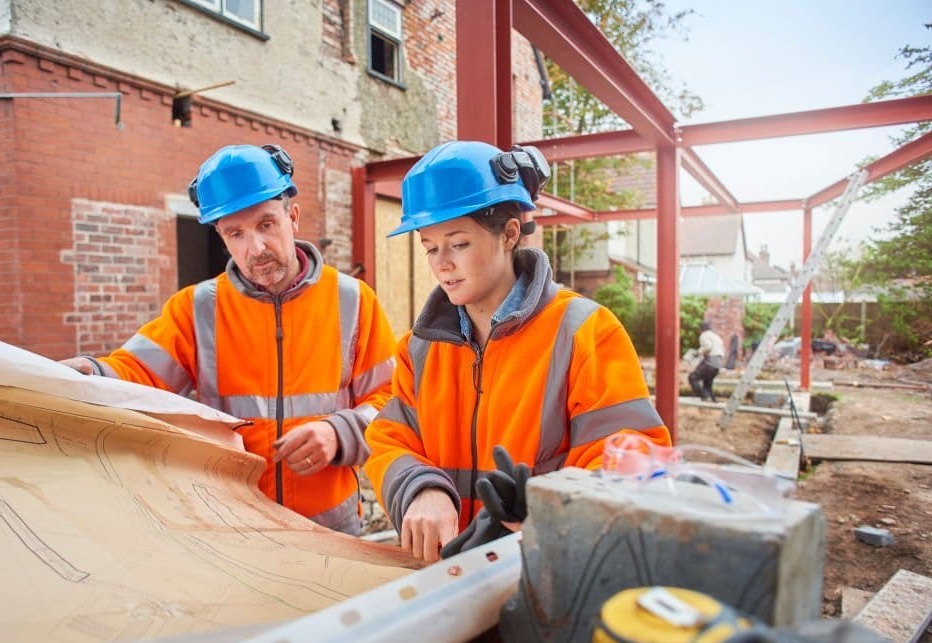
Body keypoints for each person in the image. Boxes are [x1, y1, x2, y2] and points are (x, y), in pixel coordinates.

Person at [60, 144, 397, 535]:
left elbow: (392, 400)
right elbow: (136, 372)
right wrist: (93, 372)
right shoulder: (197, 308)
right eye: (236, 234)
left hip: (333, 528)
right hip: (234, 525)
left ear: (293, 216)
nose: (255, 249)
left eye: (266, 225)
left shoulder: (352, 300)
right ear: (222, 237)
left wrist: (338, 433)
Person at [363, 140, 672, 562]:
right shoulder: (420, 348)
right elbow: (390, 439)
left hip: (545, 571)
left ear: (509, 234)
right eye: (430, 247)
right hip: (443, 575)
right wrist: (420, 488)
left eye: (459, 243)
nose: (442, 265)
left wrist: (552, 507)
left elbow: (631, 454)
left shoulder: (583, 332)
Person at [689, 320, 725, 402]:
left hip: (710, 362)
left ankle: (704, 396)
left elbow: (708, 346)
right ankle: (712, 399)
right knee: (707, 383)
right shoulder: (716, 336)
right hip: (718, 364)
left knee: (692, 377)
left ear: (701, 329)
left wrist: (698, 352)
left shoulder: (704, 335)